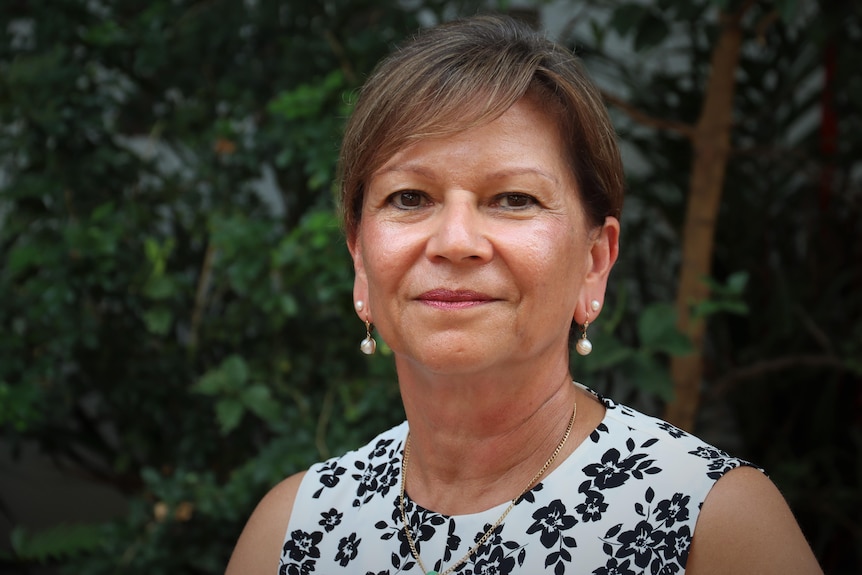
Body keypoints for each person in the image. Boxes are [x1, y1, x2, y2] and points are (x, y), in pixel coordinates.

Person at [226, 14, 822, 575]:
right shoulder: (291, 534)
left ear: (594, 264)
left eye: (514, 199)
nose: (456, 242)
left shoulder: (713, 526)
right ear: (360, 260)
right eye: (409, 197)